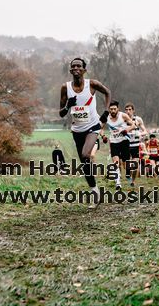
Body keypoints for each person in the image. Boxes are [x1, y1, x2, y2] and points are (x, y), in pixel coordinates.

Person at [59, 57, 111, 208]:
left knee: (85, 154)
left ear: (84, 70)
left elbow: (107, 92)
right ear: (70, 70)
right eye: (73, 66)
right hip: (77, 130)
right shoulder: (65, 88)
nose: (76, 68)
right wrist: (68, 105)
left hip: (93, 126)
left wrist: (106, 113)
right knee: (85, 164)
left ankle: (95, 190)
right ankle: (95, 192)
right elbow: (61, 113)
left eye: (79, 66)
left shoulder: (92, 84)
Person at [100, 100, 135, 190]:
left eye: (114, 109)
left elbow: (133, 125)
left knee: (125, 163)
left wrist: (127, 130)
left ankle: (128, 174)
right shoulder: (106, 117)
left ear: (118, 109)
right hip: (114, 142)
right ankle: (118, 183)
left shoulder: (123, 115)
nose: (113, 111)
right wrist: (103, 136)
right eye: (111, 109)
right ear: (109, 109)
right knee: (116, 162)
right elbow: (101, 128)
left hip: (124, 141)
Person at [124, 103, 147, 186]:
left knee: (135, 165)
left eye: (130, 109)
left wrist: (140, 134)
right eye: (126, 109)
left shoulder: (138, 119)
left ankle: (133, 181)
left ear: (133, 110)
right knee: (127, 164)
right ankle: (127, 174)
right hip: (125, 145)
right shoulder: (123, 119)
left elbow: (145, 131)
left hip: (135, 145)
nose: (128, 111)